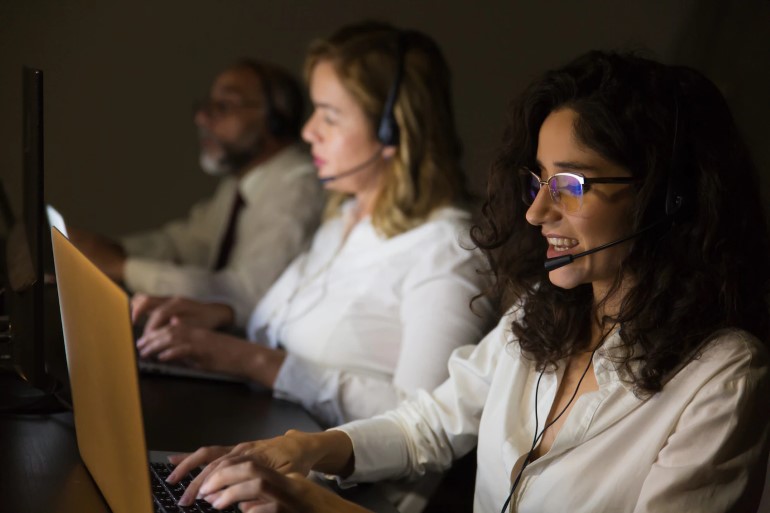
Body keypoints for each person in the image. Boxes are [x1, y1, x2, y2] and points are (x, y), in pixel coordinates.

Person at [162, 50, 770, 512]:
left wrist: (315, 504)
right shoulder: (546, 311)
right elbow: (427, 422)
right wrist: (298, 450)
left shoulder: (723, 378)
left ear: (669, 200)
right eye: (538, 181)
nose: (536, 214)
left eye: (573, 185)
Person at [132, 22, 493, 434]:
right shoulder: (343, 219)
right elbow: (291, 339)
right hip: (267, 448)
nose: (307, 132)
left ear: (391, 129)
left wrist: (254, 361)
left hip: (346, 492)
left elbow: (427, 424)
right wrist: (221, 317)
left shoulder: (447, 250)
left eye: (330, 116)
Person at [69, 60, 325, 326]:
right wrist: (102, 250)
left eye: (224, 106)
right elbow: (187, 244)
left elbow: (244, 296)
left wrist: (123, 267)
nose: (201, 118)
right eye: (206, 106)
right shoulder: (239, 186)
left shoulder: (298, 189)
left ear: (275, 120)